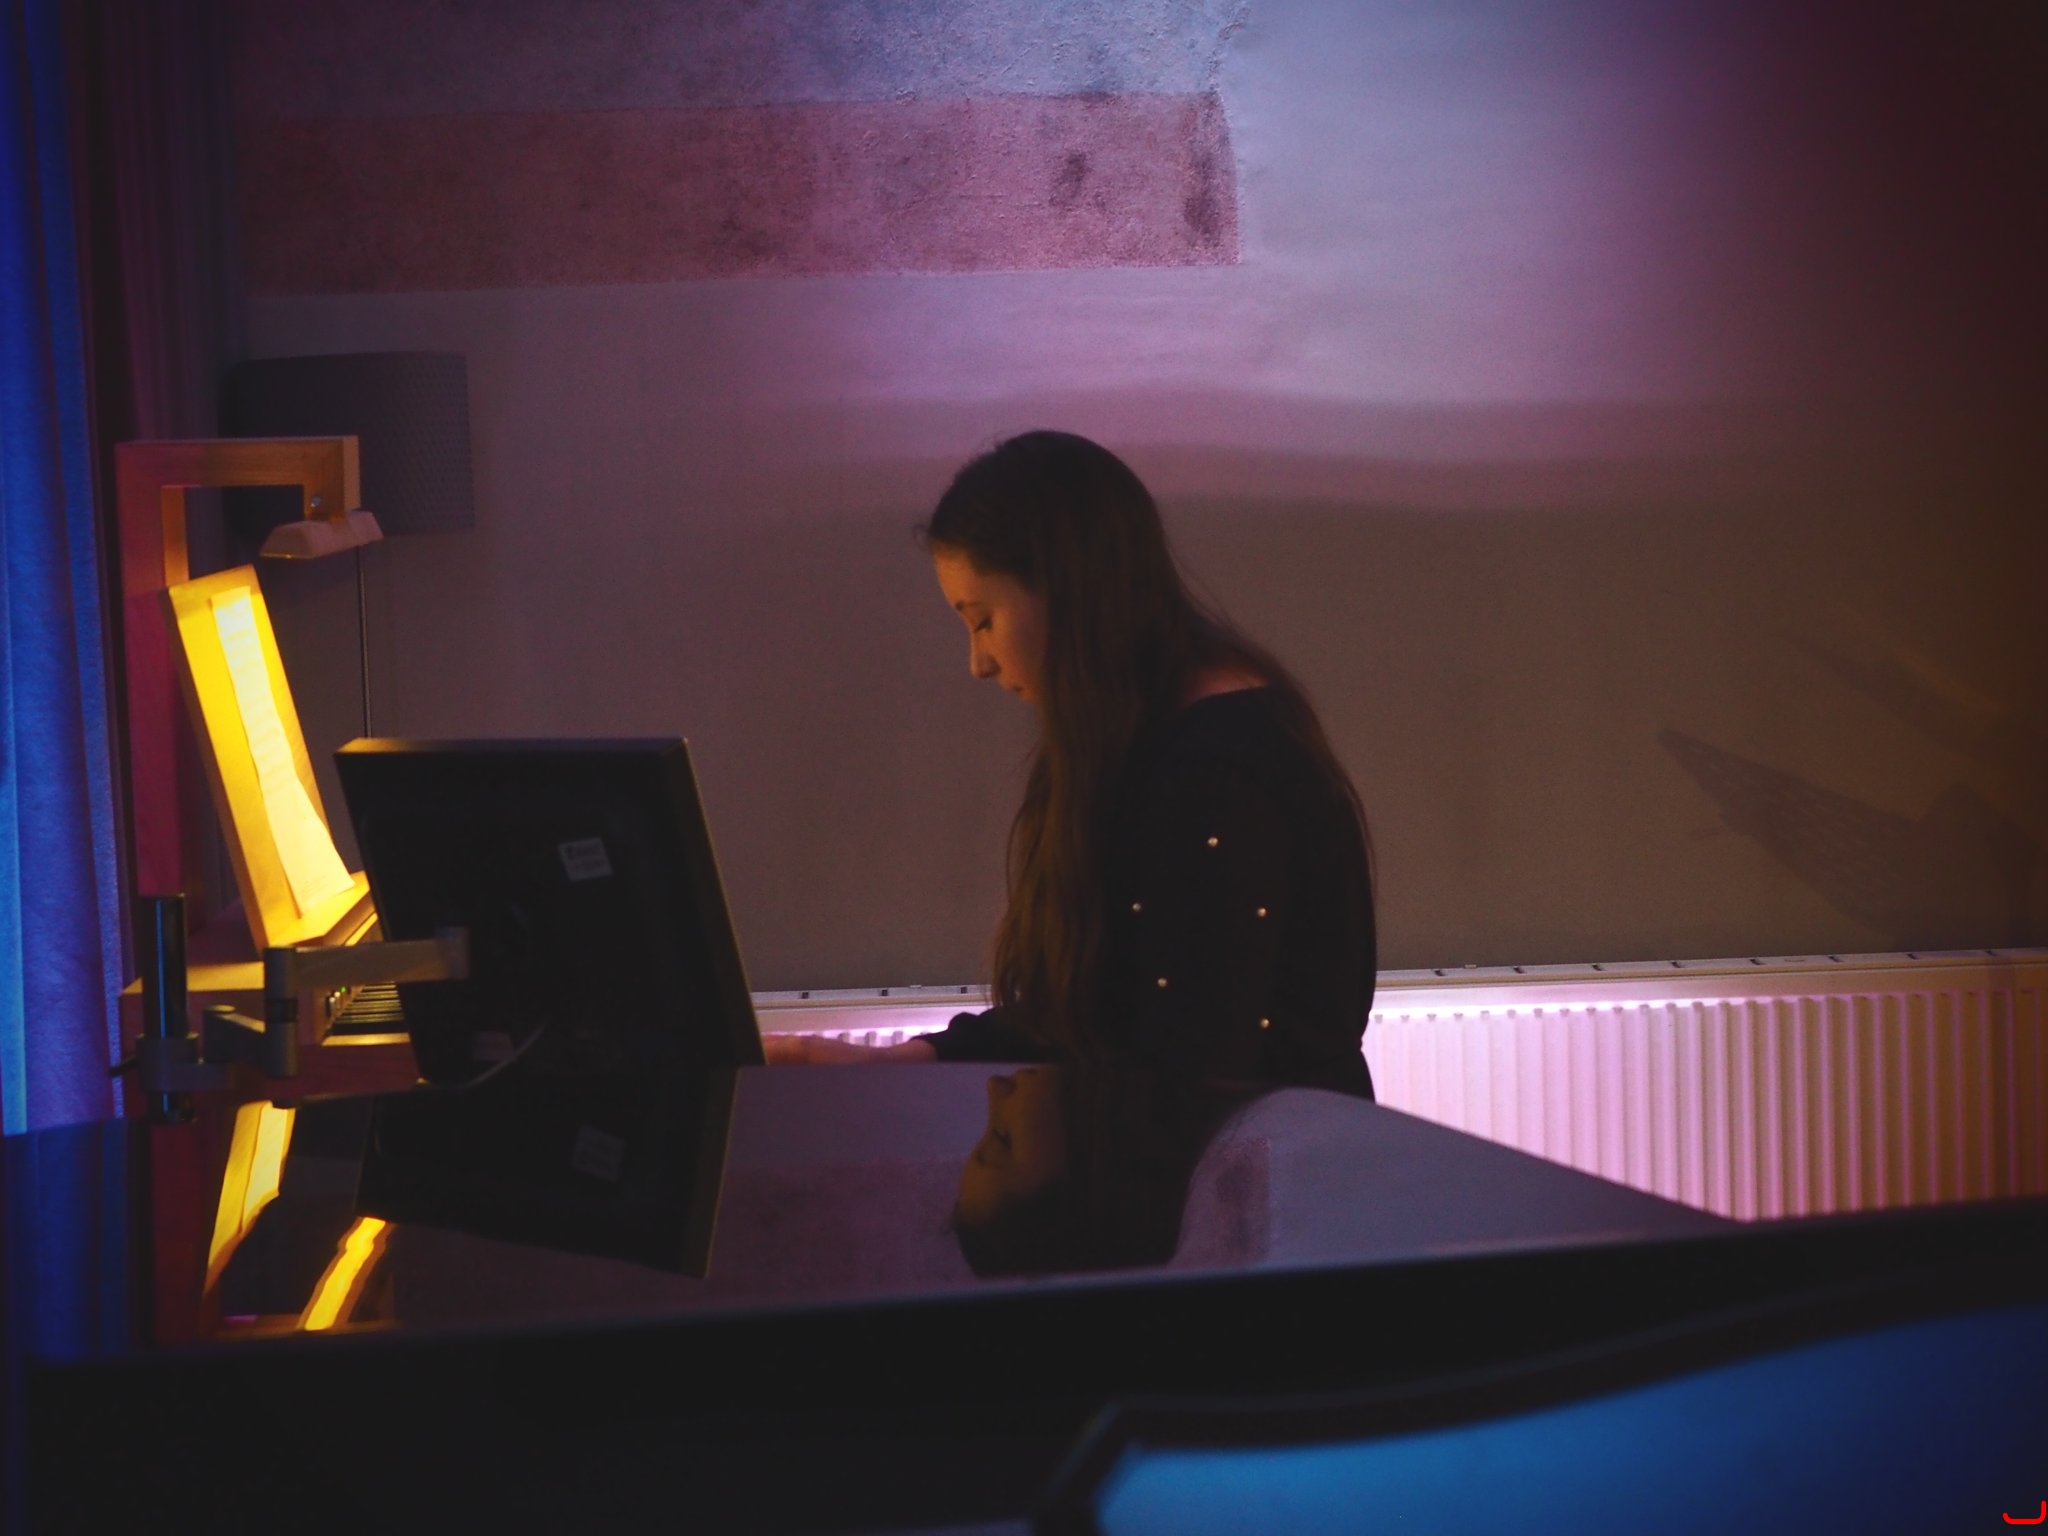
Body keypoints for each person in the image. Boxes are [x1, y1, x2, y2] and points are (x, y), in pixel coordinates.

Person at [768, 430, 1376, 1095]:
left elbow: (1189, 1074)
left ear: (1065, 589)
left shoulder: (1215, 768)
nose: (978, 663)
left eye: (983, 619)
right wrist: (906, 1060)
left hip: (1265, 1157)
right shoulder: (1151, 731)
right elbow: (1097, 1012)